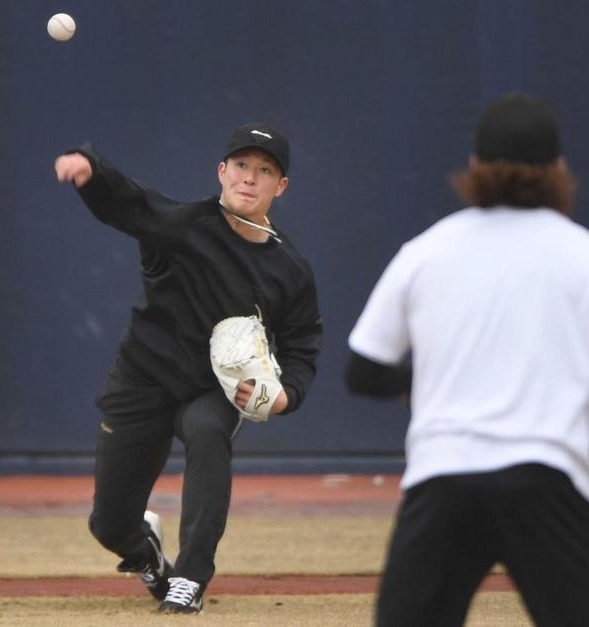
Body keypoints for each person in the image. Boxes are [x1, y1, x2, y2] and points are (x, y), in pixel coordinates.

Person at [54, 123, 322, 614]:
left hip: (212, 389)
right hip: (144, 377)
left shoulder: (289, 268)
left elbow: (304, 343)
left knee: (205, 431)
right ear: (221, 172)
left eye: (265, 171)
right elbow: (128, 203)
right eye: (241, 166)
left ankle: (191, 577)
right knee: (109, 524)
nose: (249, 178)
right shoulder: (182, 226)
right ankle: (145, 553)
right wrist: (89, 170)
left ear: (280, 187)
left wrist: (286, 395)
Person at [345, 93, 589, 626]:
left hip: (445, 476)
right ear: (559, 170)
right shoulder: (581, 256)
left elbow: (363, 371)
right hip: (547, 479)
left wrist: (422, 377)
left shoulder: (428, 250)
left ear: (475, 167)